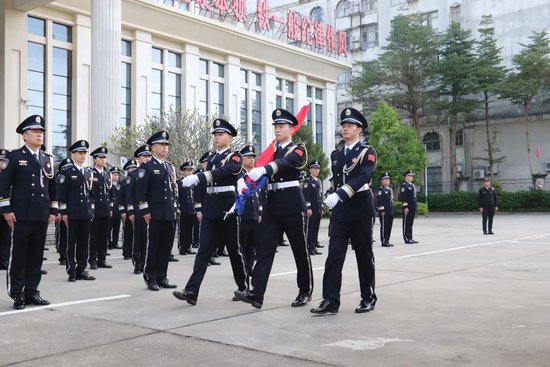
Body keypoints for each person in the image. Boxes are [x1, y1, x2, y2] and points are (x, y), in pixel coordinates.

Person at [235, 108, 313, 309]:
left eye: (281, 126)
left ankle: (305, 290)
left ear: (291, 128)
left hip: (292, 202)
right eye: (276, 127)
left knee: (299, 249)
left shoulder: (298, 149)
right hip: (273, 204)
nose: (278, 130)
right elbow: (261, 175)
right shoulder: (272, 152)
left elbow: (287, 163)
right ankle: (257, 294)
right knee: (265, 249)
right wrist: (245, 182)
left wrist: (264, 168)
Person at [173, 119, 248, 305]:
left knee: (233, 250)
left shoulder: (235, 156)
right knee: (204, 251)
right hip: (211, 207)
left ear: (229, 137)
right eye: (215, 134)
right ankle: (192, 290)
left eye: (220, 134)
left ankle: (244, 287)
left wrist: (199, 176)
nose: (216, 137)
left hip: (227, 208)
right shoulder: (212, 158)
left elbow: (229, 171)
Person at [311, 107, 377, 315]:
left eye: (350, 126)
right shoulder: (336, 154)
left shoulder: (368, 152)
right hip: (341, 212)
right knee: (334, 256)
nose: (345, 128)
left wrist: (339, 193)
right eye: (344, 125)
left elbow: (363, 177)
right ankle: (330, 300)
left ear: (359, 130)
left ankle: (368, 297)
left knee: (364, 255)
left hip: (360, 208)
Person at [0, 115, 57, 309]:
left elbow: (52, 187)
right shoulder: (14, 157)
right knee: (18, 256)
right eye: (35, 132)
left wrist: (53, 209)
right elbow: (3, 186)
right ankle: (17, 293)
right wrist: (6, 210)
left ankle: (32, 291)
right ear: (24, 136)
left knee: (35, 256)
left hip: (41, 214)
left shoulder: (47, 158)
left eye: (41, 132)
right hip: (20, 214)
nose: (39, 135)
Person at [136, 132, 178, 291]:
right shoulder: (147, 167)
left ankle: (162, 276)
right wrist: (145, 210)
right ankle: (150, 276)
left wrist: (176, 207)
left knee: (166, 247)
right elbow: (141, 192)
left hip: (169, 212)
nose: (165, 148)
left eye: (167, 145)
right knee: (153, 246)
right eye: (162, 145)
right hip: (154, 213)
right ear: (153, 147)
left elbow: (173, 190)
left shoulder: (169, 166)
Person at [59, 140, 96, 282]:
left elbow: (91, 195)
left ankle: (82, 269)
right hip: (72, 212)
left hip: (85, 213)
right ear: (73, 154)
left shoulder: (88, 172)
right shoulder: (67, 171)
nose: (83, 155)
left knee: (83, 242)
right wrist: (64, 213)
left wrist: (91, 211)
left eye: (84, 153)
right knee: (71, 242)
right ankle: (72, 270)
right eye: (80, 153)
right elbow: (62, 194)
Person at [237, 145, 261, 278]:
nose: (252, 160)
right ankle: (242, 267)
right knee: (241, 243)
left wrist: (260, 212)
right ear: (242, 158)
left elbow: (259, 195)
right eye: (248, 157)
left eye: (253, 157)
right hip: (243, 214)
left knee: (252, 243)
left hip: (254, 213)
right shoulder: (239, 175)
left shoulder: (255, 175)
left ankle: (249, 266)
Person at [88, 147, 113, 269]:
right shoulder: (90, 173)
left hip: (105, 209)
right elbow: (89, 192)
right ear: (94, 159)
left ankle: (102, 259)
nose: (103, 160)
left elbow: (110, 193)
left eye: (104, 157)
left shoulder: (108, 174)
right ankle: (92, 260)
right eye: (100, 157)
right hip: (95, 209)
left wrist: (111, 208)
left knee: (104, 236)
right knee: (93, 236)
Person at [303, 160, 323, 256]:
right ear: (310, 170)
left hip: (317, 208)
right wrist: (308, 208)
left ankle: (314, 245)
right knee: (310, 228)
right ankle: (309, 247)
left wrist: (321, 207)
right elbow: (306, 196)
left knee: (315, 228)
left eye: (318, 168)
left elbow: (320, 195)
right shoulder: (308, 181)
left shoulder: (318, 181)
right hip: (312, 208)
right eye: (315, 168)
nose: (317, 170)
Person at [54, 158, 72, 266]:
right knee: (63, 235)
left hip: (73, 209)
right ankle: (63, 256)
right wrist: (58, 211)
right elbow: (57, 196)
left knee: (72, 236)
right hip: (61, 209)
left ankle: (69, 256)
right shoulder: (59, 179)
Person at [177, 162, 197, 256]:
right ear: (183, 172)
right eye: (187, 171)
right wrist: (178, 207)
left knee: (190, 229)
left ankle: (188, 247)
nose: (189, 172)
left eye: (190, 171)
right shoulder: (179, 183)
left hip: (191, 208)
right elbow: (177, 196)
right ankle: (182, 248)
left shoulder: (193, 183)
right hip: (183, 208)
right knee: (183, 229)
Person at [120, 159, 138, 262]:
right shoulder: (123, 183)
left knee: (136, 233)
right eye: (130, 169)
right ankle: (126, 251)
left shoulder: (138, 180)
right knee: (128, 232)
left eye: (134, 168)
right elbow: (121, 198)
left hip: (136, 209)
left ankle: (133, 251)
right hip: (127, 210)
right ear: (127, 170)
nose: (132, 170)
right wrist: (123, 211)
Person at [376, 172, 394, 247]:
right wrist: (382, 210)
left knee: (389, 226)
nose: (387, 181)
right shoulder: (381, 190)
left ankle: (387, 240)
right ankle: (383, 241)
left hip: (390, 210)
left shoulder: (389, 189)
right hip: (384, 211)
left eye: (388, 179)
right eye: (385, 179)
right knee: (384, 226)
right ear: (382, 181)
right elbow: (380, 201)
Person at [400, 170, 418, 244]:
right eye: (410, 176)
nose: (411, 177)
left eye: (412, 176)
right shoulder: (404, 186)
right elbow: (404, 197)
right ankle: (406, 238)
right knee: (406, 223)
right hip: (407, 207)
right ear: (406, 177)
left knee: (410, 223)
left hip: (412, 206)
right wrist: (405, 207)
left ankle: (410, 237)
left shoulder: (412, 185)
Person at [0, 148, 11, 271]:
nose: (3, 163)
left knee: (6, 237)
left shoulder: (9, 175)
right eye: (1, 160)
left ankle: (4, 260)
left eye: (4, 161)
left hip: (5, 210)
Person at [109, 166, 123, 250]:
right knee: (109, 227)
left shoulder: (120, 185)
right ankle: (108, 243)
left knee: (117, 227)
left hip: (118, 209)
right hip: (111, 209)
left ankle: (115, 242)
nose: (116, 177)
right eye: (114, 175)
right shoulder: (108, 184)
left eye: (117, 175)